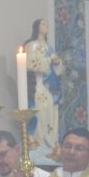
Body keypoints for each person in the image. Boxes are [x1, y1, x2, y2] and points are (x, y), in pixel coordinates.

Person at [25, 19, 64, 158]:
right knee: (40, 114)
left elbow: (59, 70)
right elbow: (30, 64)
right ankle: (39, 143)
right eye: (43, 24)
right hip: (38, 85)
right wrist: (48, 60)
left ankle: (51, 144)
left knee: (52, 115)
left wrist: (57, 62)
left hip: (51, 89)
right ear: (36, 27)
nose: (46, 26)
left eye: (47, 24)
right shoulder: (31, 45)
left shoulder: (49, 47)